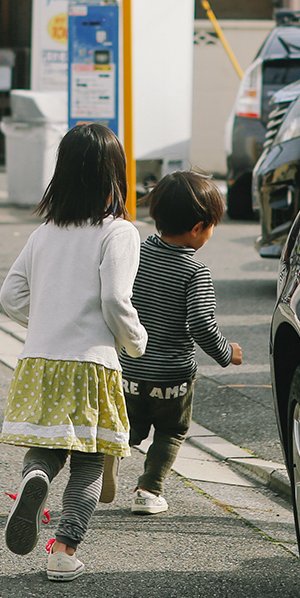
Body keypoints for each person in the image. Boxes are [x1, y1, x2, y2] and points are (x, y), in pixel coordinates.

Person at [0, 122, 147, 582]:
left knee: (46, 450)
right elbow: (114, 300)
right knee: (87, 468)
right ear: (114, 179)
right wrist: (134, 341)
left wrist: (45, 321)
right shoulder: (118, 232)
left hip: (39, 361)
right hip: (90, 363)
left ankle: (34, 480)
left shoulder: (44, 233)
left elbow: (10, 295)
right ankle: (63, 551)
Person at [118, 171, 241, 515]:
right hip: (172, 375)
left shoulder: (136, 255)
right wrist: (226, 352)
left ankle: (102, 466)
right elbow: (202, 324)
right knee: (170, 431)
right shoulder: (194, 272)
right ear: (198, 227)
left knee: (129, 425)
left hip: (130, 367)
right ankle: (148, 491)